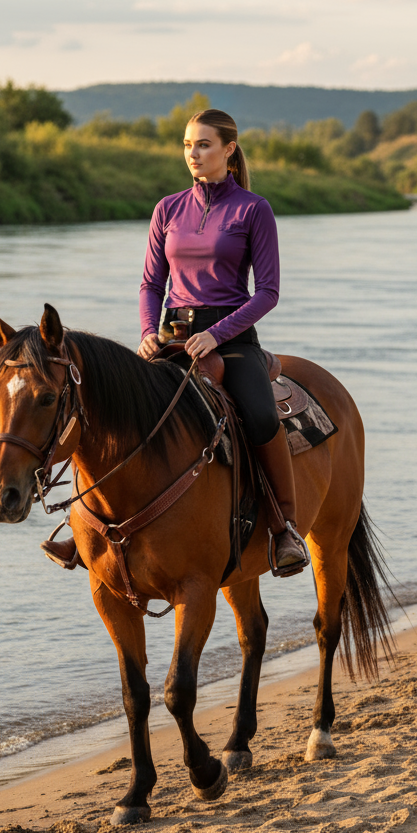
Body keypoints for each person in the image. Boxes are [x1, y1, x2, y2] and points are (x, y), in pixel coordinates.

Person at [138, 108, 309, 573]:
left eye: (203, 145)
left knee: (257, 415)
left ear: (229, 150)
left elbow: (269, 292)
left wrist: (215, 334)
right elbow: (151, 285)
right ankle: (92, 529)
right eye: (187, 145)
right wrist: (147, 334)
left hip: (230, 338)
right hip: (171, 337)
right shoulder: (167, 209)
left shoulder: (254, 210)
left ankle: (283, 529)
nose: (193, 154)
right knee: (118, 405)